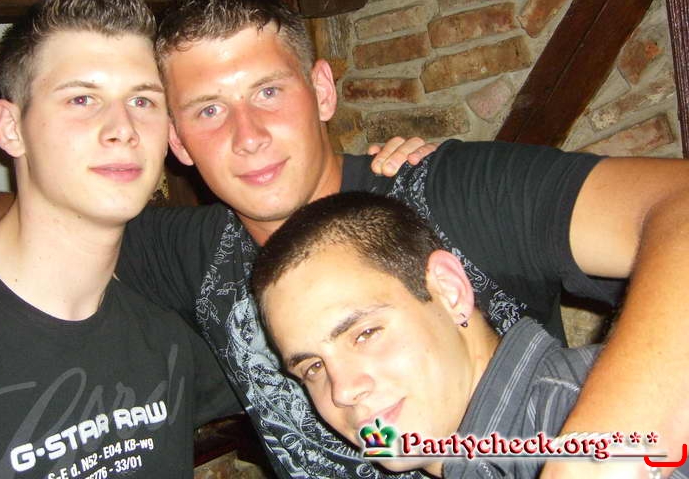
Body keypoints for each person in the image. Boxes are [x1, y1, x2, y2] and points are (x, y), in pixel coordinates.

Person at [0, 0, 688, 479]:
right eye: (207, 110)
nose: (247, 136)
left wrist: (601, 456)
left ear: (322, 91)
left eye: (269, 93)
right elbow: (56, 208)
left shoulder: (447, 191)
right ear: (177, 141)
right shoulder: (191, 251)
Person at [0, 0, 242, 478]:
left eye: (142, 100)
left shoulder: (170, 333)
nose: (122, 129)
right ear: (10, 128)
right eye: (82, 99)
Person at [251, 192, 689, 479]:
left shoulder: (602, 435)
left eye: (365, 333)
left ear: (450, 291)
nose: (342, 391)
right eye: (313, 367)